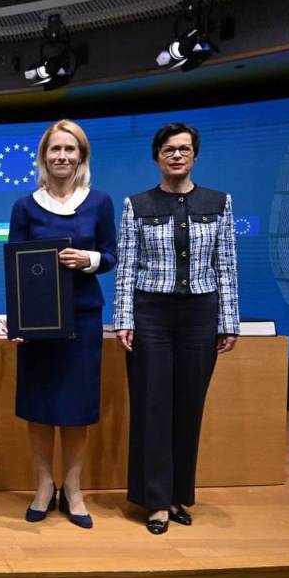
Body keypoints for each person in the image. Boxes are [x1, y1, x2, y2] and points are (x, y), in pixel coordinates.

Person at [113, 122, 239, 535]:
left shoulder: (219, 202)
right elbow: (127, 267)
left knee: (189, 405)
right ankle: (154, 501)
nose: (177, 155)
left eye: (184, 149)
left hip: (201, 313)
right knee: (152, 406)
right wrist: (124, 319)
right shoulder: (137, 204)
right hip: (151, 313)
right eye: (169, 149)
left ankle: (177, 495)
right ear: (157, 157)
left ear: (195, 155)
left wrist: (228, 321)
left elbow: (226, 265)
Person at [8, 120, 117, 529]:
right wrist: (18, 322)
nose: (62, 156)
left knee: (77, 407)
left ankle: (73, 488)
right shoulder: (25, 206)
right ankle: (43, 485)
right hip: (38, 324)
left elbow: (111, 254)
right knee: (39, 406)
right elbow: (16, 266)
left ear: (81, 156)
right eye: (55, 149)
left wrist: (88, 259)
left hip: (83, 317)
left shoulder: (100, 202)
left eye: (70, 149)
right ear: (43, 156)